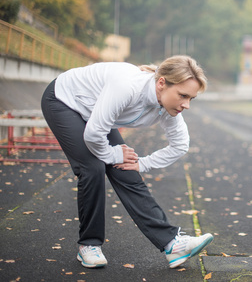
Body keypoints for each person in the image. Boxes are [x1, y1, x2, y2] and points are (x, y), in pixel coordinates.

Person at [41, 55, 213, 269]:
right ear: (161, 83)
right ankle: (89, 245)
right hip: (64, 100)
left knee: (126, 169)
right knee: (92, 167)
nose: (186, 105)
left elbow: (180, 145)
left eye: (191, 98)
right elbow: (94, 135)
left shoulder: (167, 107)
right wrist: (113, 155)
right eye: (183, 95)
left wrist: (141, 163)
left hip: (95, 112)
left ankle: (172, 244)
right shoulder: (127, 87)